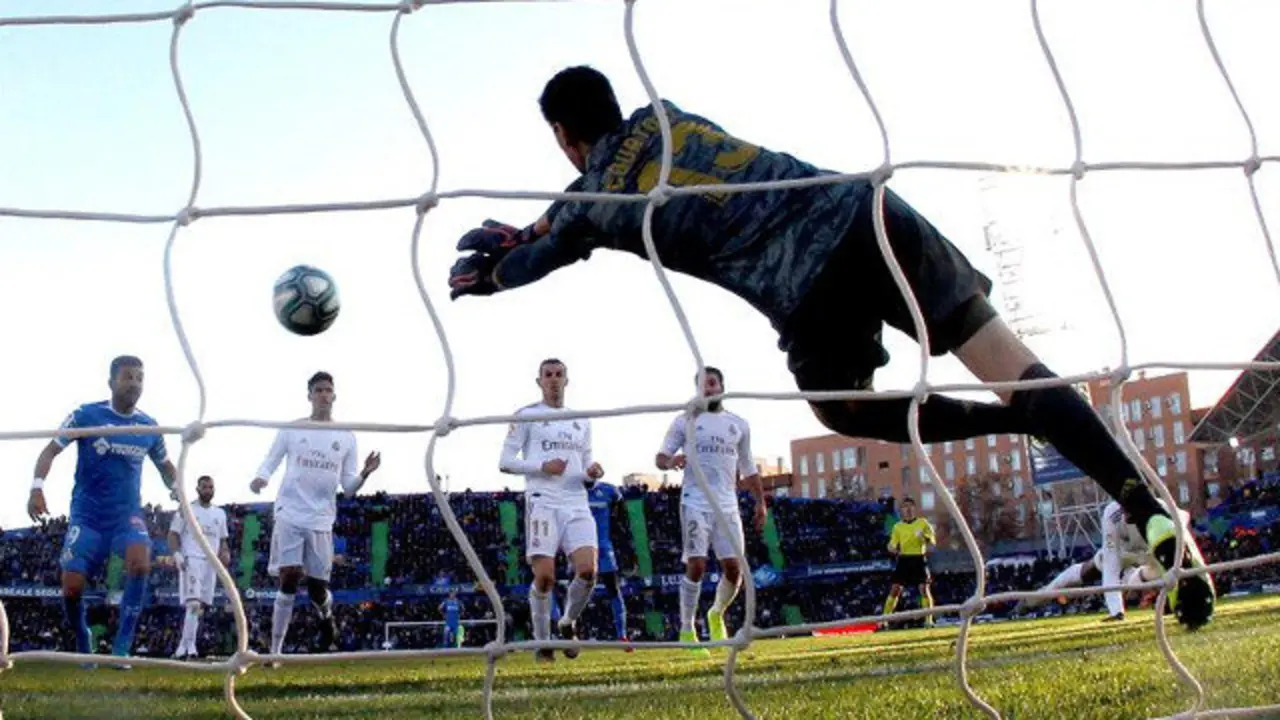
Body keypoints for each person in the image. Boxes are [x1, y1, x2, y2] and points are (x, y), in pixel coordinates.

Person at [446, 64, 1214, 630]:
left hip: (808, 285)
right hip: (867, 209)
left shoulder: (593, 203)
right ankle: (1146, 506)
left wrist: (495, 272)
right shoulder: (661, 111)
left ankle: (1014, 423)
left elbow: (540, 250)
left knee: (844, 407)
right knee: (1019, 369)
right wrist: (543, 224)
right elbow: (576, 198)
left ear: (561, 137)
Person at [28, 355, 179, 666]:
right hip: (88, 516)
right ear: (111, 382)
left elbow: (165, 465)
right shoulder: (87, 415)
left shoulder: (150, 427)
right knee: (71, 588)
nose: (134, 383)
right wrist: (36, 486)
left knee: (140, 563)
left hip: (127, 516)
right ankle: (84, 641)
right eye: (127, 377)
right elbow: (50, 449)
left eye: (139, 378)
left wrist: (176, 487)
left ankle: (122, 649)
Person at [250, 371, 381, 662]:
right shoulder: (292, 428)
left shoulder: (346, 436)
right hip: (290, 511)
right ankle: (275, 652)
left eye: (328, 390)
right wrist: (261, 478)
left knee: (316, 587)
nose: (323, 395)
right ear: (309, 395)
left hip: (321, 517)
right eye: (318, 390)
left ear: (334, 396)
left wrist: (364, 474)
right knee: (289, 577)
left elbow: (347, 489)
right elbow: (272, 458)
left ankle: (326, 614)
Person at [500, 358, 604, 662]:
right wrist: (541, 466)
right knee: (545, 577)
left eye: (559, 375)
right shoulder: (526, 416)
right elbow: (505, 461)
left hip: (575, 502)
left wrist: (591, 472)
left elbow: (584, 466)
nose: (554, 380)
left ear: (567, 381)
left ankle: (568, 622)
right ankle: (542, 642)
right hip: (542, 500)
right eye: (548, 375)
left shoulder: (581, 419)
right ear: (539, 381)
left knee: (588, 571)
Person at [655, 367, 765, 653]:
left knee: (734, 570)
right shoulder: (685, 421)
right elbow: (660, 457)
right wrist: (670, 462)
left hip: (727, 504)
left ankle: (716, 613)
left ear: (722, 386)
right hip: (695, 500)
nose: (708, 388)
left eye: (712, 383)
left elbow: (748, 467)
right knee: (697, 564)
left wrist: (760, 502)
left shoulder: (738, 424)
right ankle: (687, 631)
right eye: (702, 384)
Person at [1021, 500, 1199, 621]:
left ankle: (1163, 593)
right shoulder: (1112, 514)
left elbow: (1183, 516)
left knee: (1156, 573)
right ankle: (1036, 598)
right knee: (1091, 570)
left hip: (1152, 552)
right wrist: (1117, 612)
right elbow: (1111, 566)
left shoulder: (1161, 509)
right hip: (1123, 553)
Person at [168, 475, 231, 659]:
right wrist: (177, 554)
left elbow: (223, 539)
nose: (208, 490)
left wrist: (225, 553)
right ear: (197, 489)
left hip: (211, 562)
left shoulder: (220, 514)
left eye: (211, 487)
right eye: (205, 487)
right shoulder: (187, 509)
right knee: (193, 603)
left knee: (198, 607)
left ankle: (182, 647)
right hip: (192, 559)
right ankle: (191, 648)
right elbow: (172, 534)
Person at [586, 479, 629, 648]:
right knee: (576, 589)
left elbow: (620, 506)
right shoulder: (572, 489)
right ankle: (569, 630)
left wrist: (618, 528)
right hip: (581, 547)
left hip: (604, 547)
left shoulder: (608, 490)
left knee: (613, 588)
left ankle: (622, 635)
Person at [881, 498, 936, 628]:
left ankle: (928, 620)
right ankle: (884, 620)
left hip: (919, 558)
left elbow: (932, 542)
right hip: (904, 559)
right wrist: (892, 548)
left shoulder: (923, 523)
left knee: (924, 588)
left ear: (914, 509)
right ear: (901, 510)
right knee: (895, 589)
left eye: (910, 506)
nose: (908, 509)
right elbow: (892, 544)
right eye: (905, 507)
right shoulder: (898, 527)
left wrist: (924, 538)